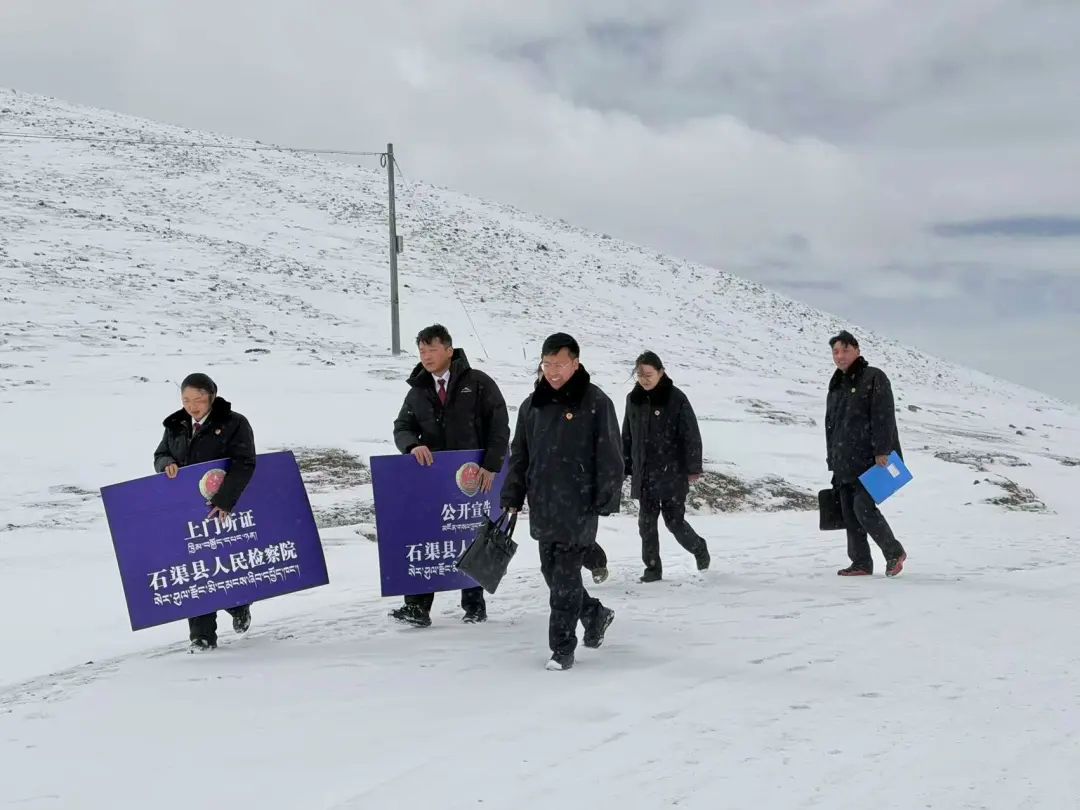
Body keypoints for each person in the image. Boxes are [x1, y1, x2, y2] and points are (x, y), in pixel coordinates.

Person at [502, 333, 622, 671]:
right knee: (551, 573)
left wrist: (603, 498)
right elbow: (520, 456)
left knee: (566, 578)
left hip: (579, 505)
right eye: (547, 364)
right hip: (543, 503)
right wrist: (512, 495)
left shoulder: (597, 402)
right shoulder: (531, 406)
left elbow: (611, 455)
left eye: (560, 364)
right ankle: (595, 614)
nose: (553, 371)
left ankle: (562, 649)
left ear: (576, 364)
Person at [391, 324, 510, 626]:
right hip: (432, 479)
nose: (426, 356)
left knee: (470, 535)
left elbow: (499, 426)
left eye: (431, 349)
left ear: (448, 349)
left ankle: (474, 604)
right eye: (421, 351)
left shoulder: (478, 383)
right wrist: (412, 445)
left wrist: (492, 464)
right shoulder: (418, 390)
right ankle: (418, 607)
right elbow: (402, 427)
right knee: (426, 536)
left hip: (474, 477)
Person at [153, 373, 257, 651]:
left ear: (211, 396)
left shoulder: (234, 423)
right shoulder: (175, 425)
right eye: (186, 400)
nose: (192, 406)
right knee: (195, 570)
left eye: (198, 399)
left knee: (222, 562)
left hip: (223, 506)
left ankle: (238, 606)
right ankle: (201, 636)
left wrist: (224, 500)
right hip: (187, 508)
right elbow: (161, 453)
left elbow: (244, 462)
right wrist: (166, 464)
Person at [825, 330, 908, 577]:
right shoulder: (837, 384)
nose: (840, 356)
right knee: (849, 512)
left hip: (871, 460)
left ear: (857, 350)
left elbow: (883, 415)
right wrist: (832, 457)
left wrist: (883, 450)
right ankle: (861, 562)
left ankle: (894, 552)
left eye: (845, 350)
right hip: (844, 460)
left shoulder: (874, 377)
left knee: (863, 507)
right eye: (835, 352)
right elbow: (832, 424)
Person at [623, 351, 710, 582]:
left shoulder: (676, 398)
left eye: (649, 374)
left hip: (672, 472)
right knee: (646, 524)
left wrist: (693, 468)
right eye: (640, 374)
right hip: (646, 473)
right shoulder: (633, 399)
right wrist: (625, 465)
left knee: (674, 522)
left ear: (661, 372)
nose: (644, 379)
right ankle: (653, 569)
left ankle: (699, 547)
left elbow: (691, 434)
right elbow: (627, 435)